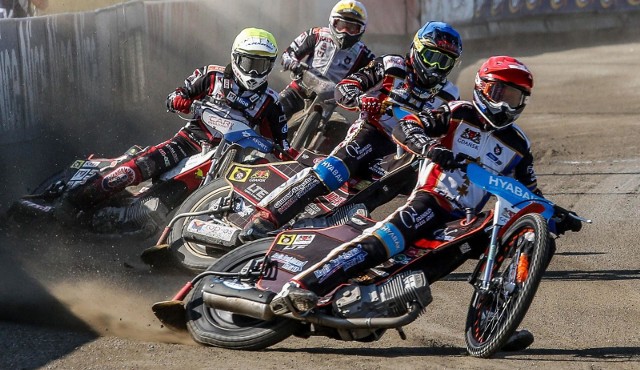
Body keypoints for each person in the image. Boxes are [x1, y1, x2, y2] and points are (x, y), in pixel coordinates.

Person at [268, 56, 583, 350]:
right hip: (430, 201)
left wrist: (558, 214)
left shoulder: (519, 145)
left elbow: (528, 191)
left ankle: (497, 320)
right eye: (500, 92)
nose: (504, 103)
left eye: (513, 97)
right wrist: (430, 148)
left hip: (466, 219)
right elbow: (409, 125)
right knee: (379, 245)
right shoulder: (458, 112)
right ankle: (302, 285)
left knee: (526, 242)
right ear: (483, 88)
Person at [241, 21, 463, 241]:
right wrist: (362, 99)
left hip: (405, 150)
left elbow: (451, 135)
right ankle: (267, 217)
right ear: (417, 50)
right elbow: (346, 87)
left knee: (417, 188)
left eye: (445, 62)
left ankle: (347, 232)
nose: (436, 67)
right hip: (371, 132)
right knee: (333, 170)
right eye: (432, 57)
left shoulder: (450, 95)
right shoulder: (391, 65)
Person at [65, 28, 292, 233]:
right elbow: (175, 97)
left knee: (167, 204)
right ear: (235, 57)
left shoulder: (270, 102)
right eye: (249, 63)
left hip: (226, 160)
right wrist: (188, 104)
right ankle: (72, 202)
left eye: (261, 65)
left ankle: (142, 226)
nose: (254, 71)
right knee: (131, 171)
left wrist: (284, 154)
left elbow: (281, 145)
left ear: (270, 66)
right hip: (188, 141)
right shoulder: (212, 76)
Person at [278, 0, 375, 120]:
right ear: (332, 22)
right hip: (298, 91)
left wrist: (365, 97)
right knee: (272, 111)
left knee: (340, 127)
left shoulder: (364, 54)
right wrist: (293, 64)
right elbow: (288, 53)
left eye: (352, 28)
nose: (345, 32)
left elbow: (375, 82)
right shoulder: (316, 34)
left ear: (361, 30)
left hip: (328, 104)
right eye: (341, 25)